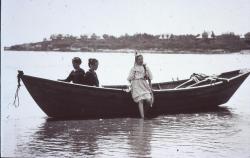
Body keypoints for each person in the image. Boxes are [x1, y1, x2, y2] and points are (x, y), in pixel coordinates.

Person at [127, 52, 153, 118]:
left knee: (149, 100)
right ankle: (142, 117)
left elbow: (150, 78)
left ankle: (144, 112)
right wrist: (130, 86)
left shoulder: (145, 67)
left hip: (144, 85)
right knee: (140, 100)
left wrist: (150, 88)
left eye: (142, 59)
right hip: (136, 85)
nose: (141, 60)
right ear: (136, 60)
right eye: (139, 59)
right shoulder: (133, 68)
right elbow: (129, 78)